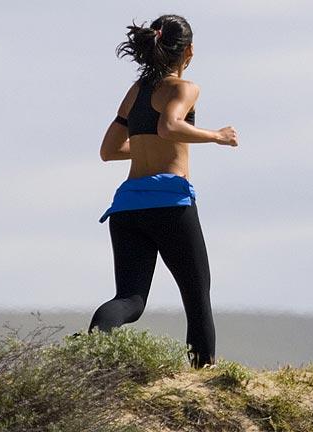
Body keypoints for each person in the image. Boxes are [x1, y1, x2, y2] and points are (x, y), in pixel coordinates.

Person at [87, 14, 238, 369]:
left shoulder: (136, 92)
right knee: (197, 296)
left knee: (130, 300)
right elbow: (169, 126)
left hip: (126, 208)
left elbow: (108, 150)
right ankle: (204, 377)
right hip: (170, 203)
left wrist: (144, 149)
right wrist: (217, 136)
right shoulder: (184, 88)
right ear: (189, 50)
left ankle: (92, 349)